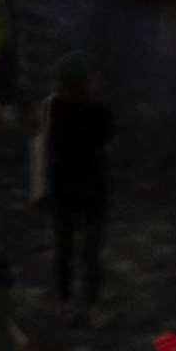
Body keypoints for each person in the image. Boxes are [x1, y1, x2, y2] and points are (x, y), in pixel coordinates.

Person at [35, 49, 117, 306]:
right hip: (93, 188)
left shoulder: (52, 107)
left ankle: (64, 298)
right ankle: (90, 301)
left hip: (62, 188)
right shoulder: (98, 110)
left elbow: (43, 147)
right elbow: (105, 138)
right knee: (90, 251)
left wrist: (40, 188)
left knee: (64, 249)